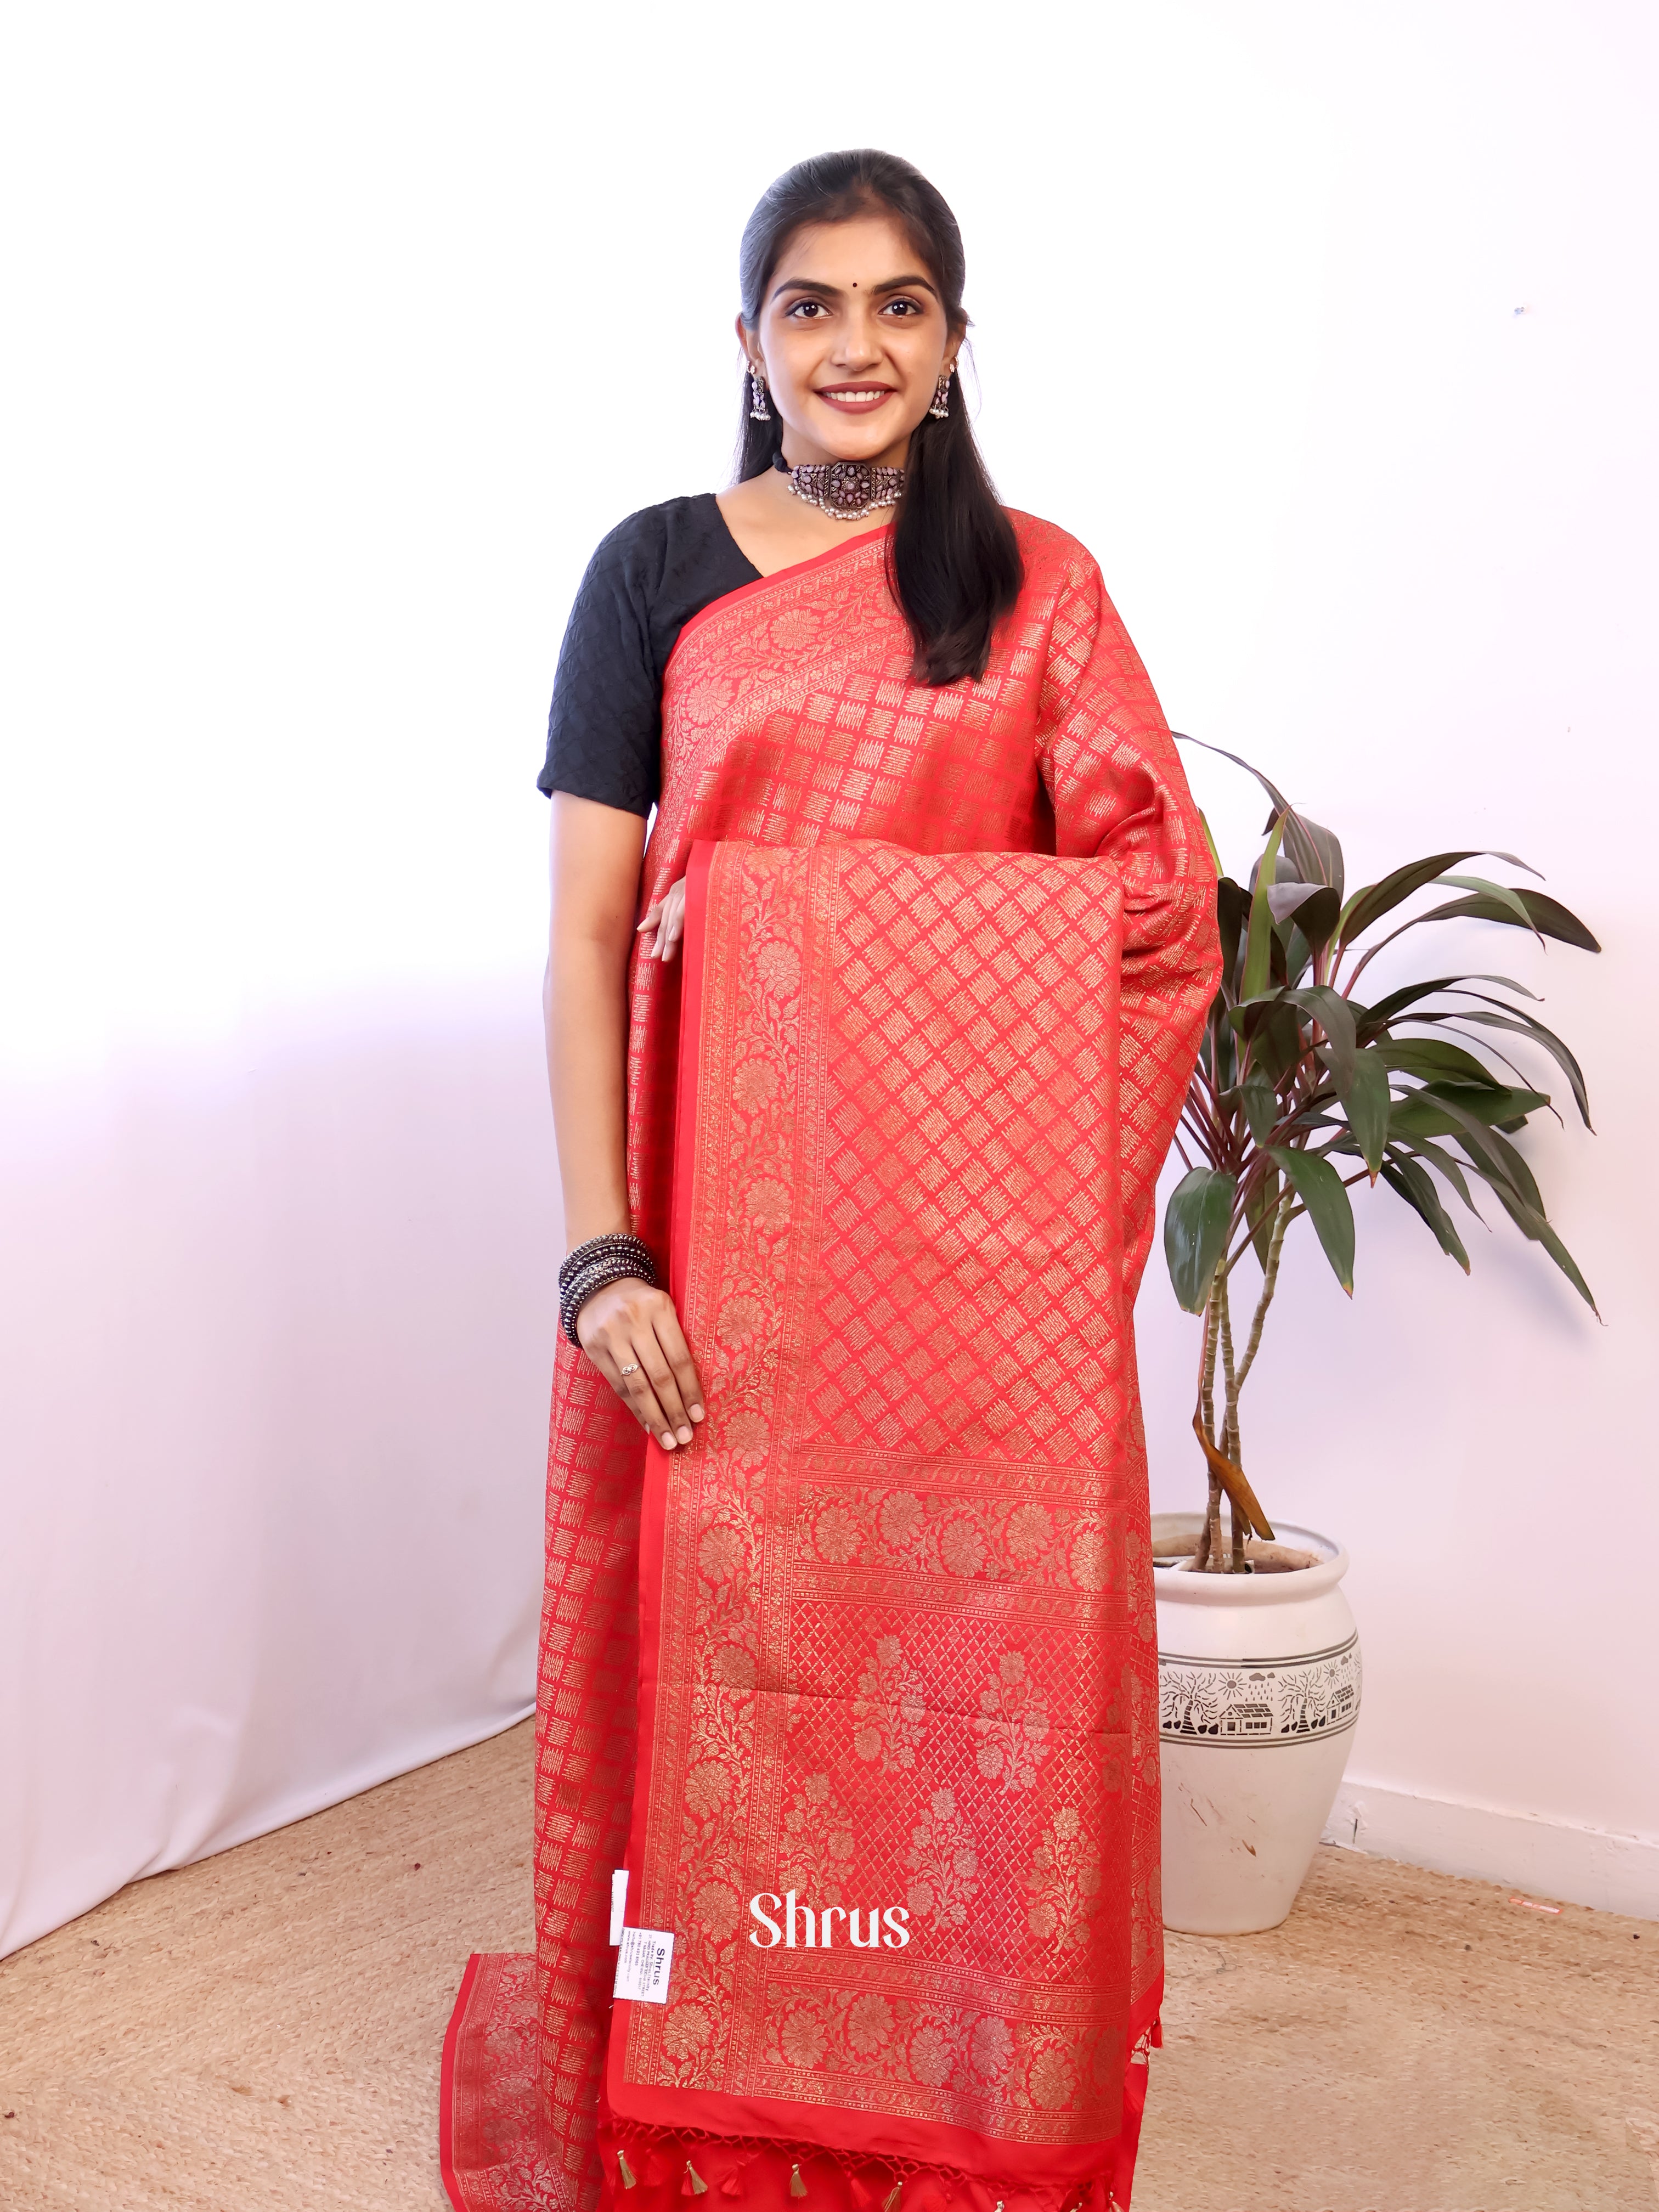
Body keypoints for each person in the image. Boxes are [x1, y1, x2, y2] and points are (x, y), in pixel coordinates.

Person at [441, 149, 1219, 2212]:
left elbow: (1153, 915)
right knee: (715, 1669)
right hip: (708, 1243)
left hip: (969, 1276)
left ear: (957, 345)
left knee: (965, 1705)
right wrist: (600, 1251)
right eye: (811, 304)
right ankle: (697, 2102)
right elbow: (593, 936)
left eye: (900, 305)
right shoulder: (653, 574)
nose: (854, 344)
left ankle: (950, 2100)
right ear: (749, 339)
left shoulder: (1036, 587)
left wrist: (798, 928)